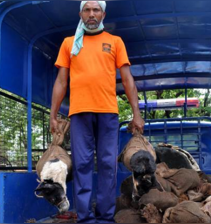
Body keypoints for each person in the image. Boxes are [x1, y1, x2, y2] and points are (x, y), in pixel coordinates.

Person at [50, 1, 144, 223]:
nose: (91, 14)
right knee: (82, 164)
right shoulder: (69, 43)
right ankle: (84, 218)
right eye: (87, 10)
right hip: (79, 113)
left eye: (96, 10)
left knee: (107, 164)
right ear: (81, 13)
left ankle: (105, 218)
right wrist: (53, 115)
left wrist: (136, 113)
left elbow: (128, 80)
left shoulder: (115, 42)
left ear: (103, 13)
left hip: (107, 113)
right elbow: (61, 82)